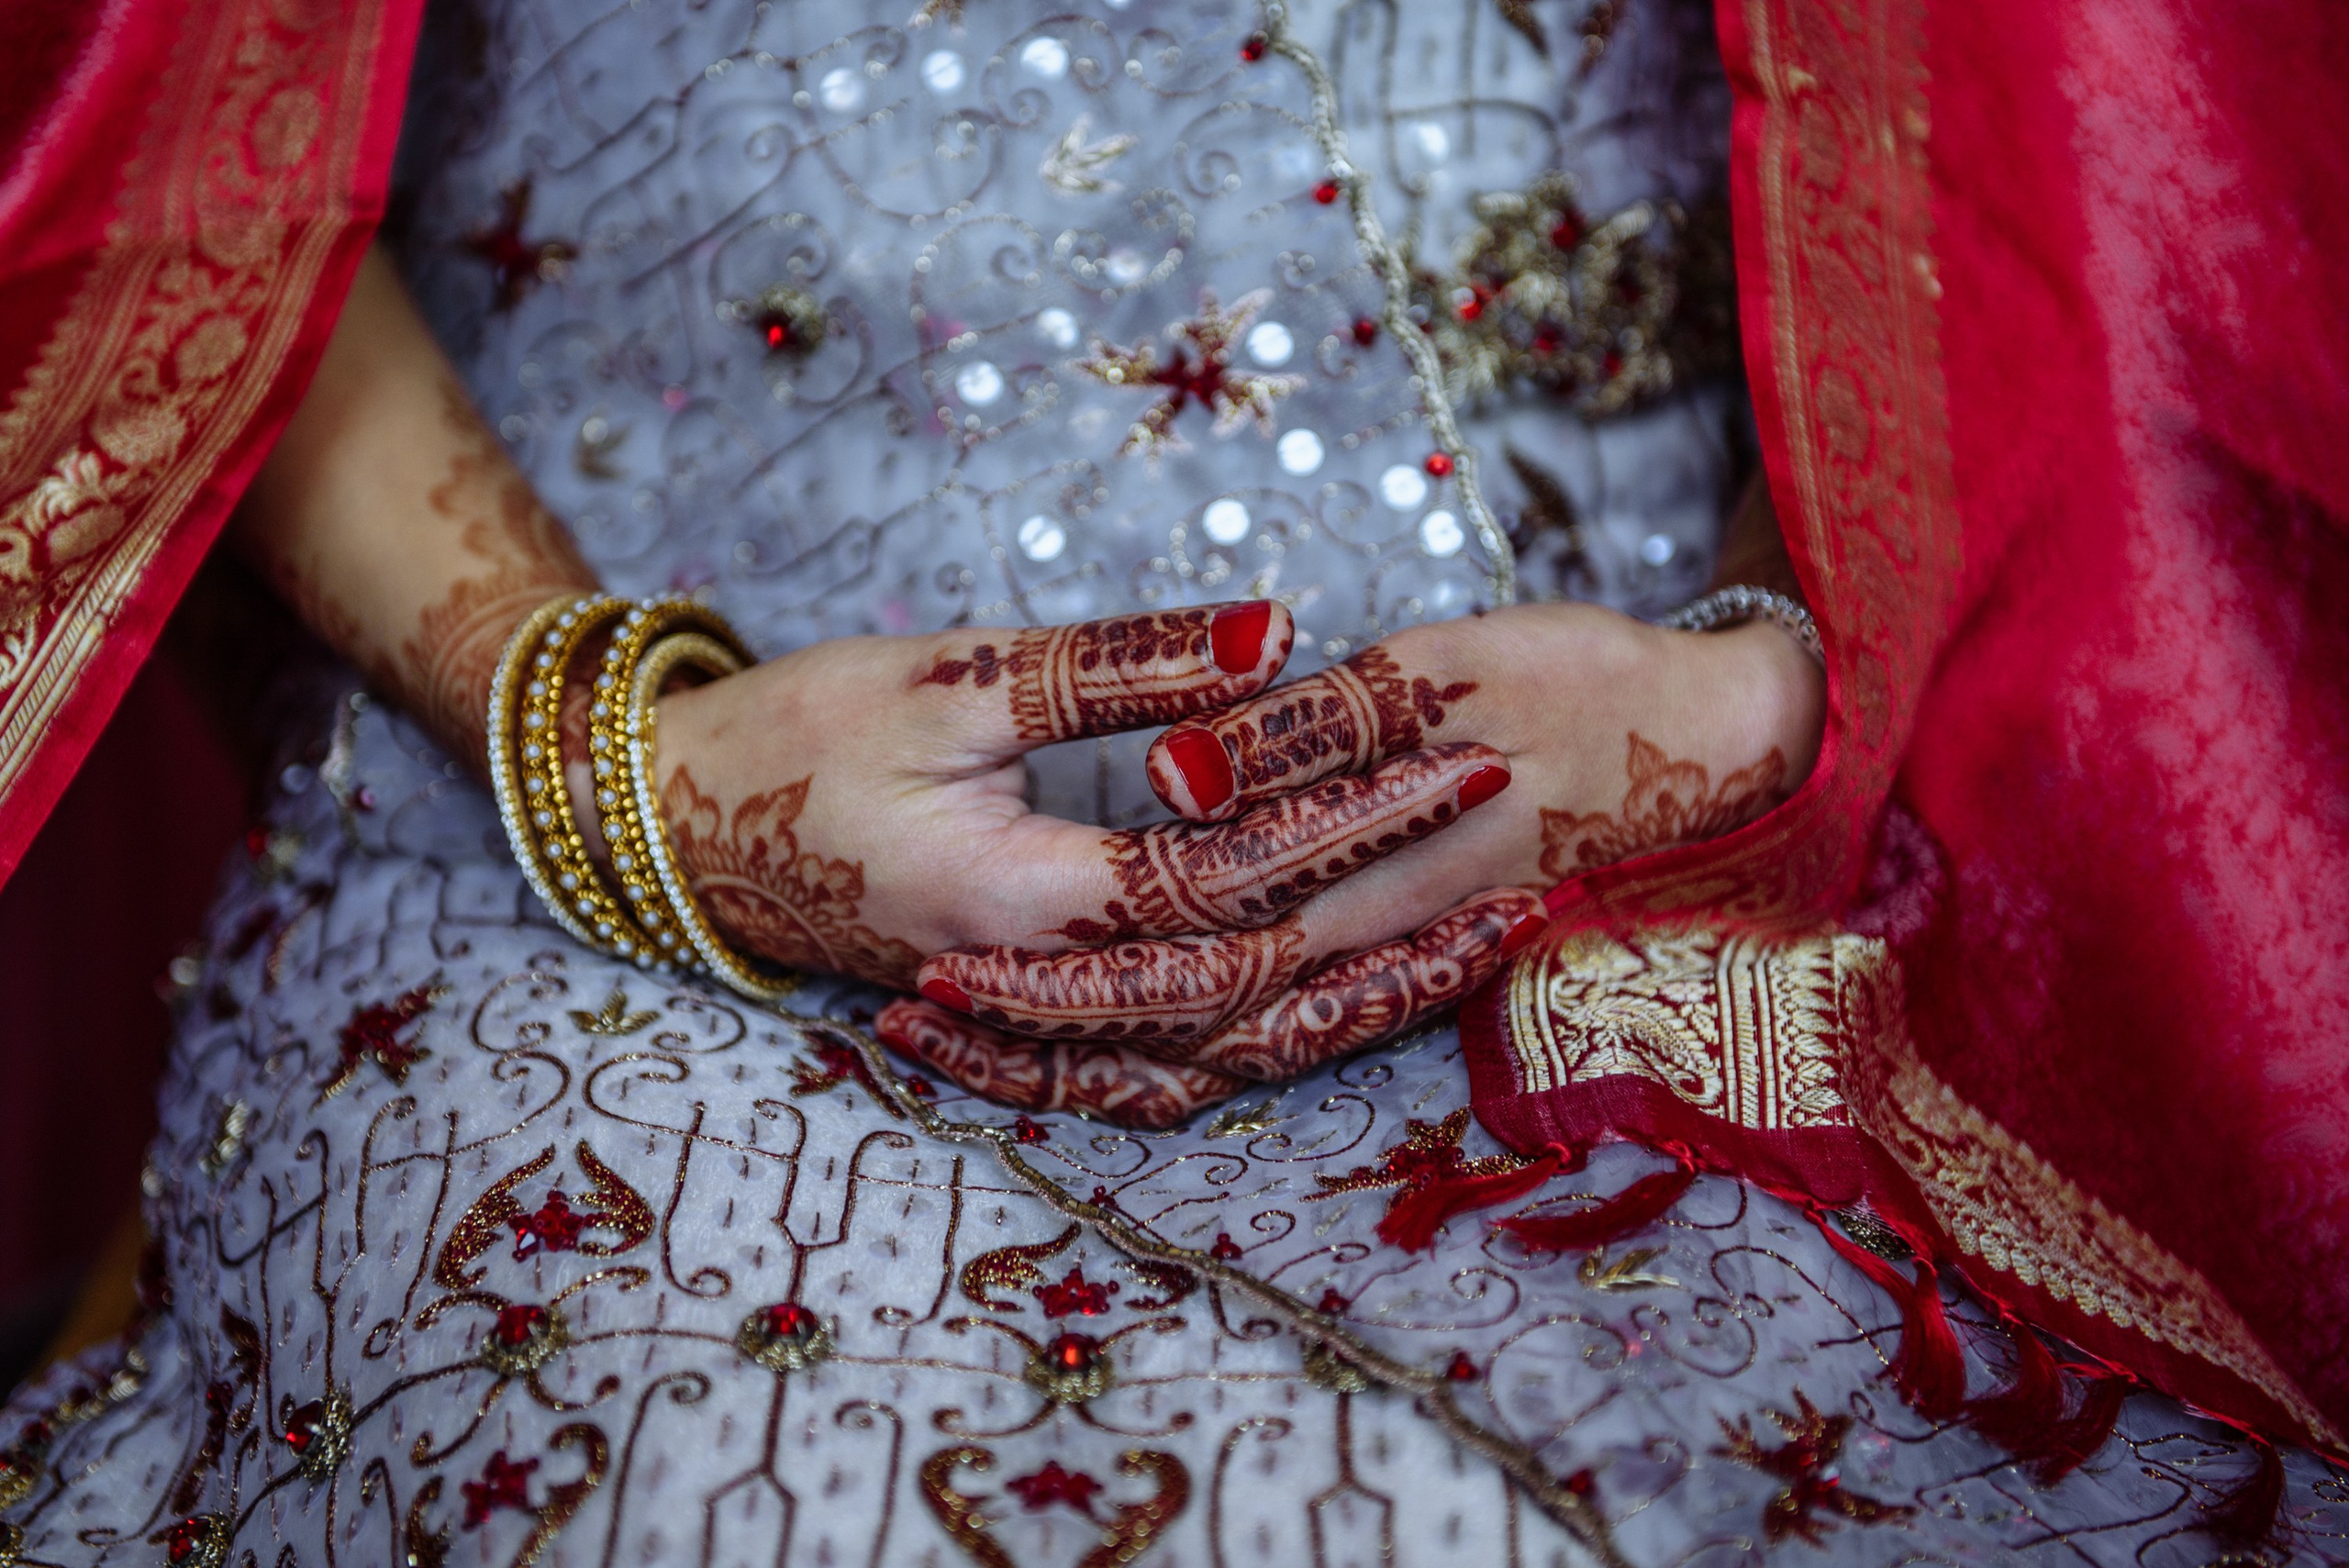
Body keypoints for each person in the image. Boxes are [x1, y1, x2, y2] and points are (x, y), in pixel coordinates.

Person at [0, 0, 2343, 1562]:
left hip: (1641, 835)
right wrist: (628, 753)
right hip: (628, 865)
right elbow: (179, 170)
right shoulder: (631, 798)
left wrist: (1752, 689)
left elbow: (2036, 165)